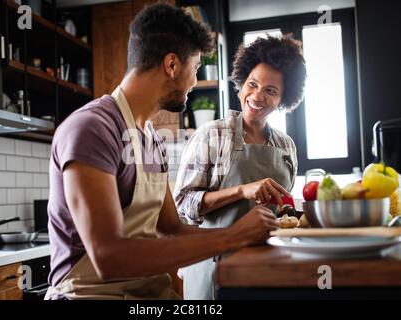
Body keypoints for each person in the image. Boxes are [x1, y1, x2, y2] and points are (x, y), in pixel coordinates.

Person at [45, 3, 279, 300]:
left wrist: (249, 237)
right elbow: (108, 256)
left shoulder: (152, 138)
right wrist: (234, 235)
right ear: (172, 65)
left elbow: (172, 230)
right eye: (195, 68)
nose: (194, 82)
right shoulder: (92, 128)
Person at [173, 34, 307, 299]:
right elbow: (183, 204)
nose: (257, 96)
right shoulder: (212, 135)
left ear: (283, 98)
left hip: (265, 267)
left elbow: (283, 210)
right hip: (213, 266)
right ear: (241, 82)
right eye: (252, 84)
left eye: (270, 91)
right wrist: (240, 191)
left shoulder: (286, 145)